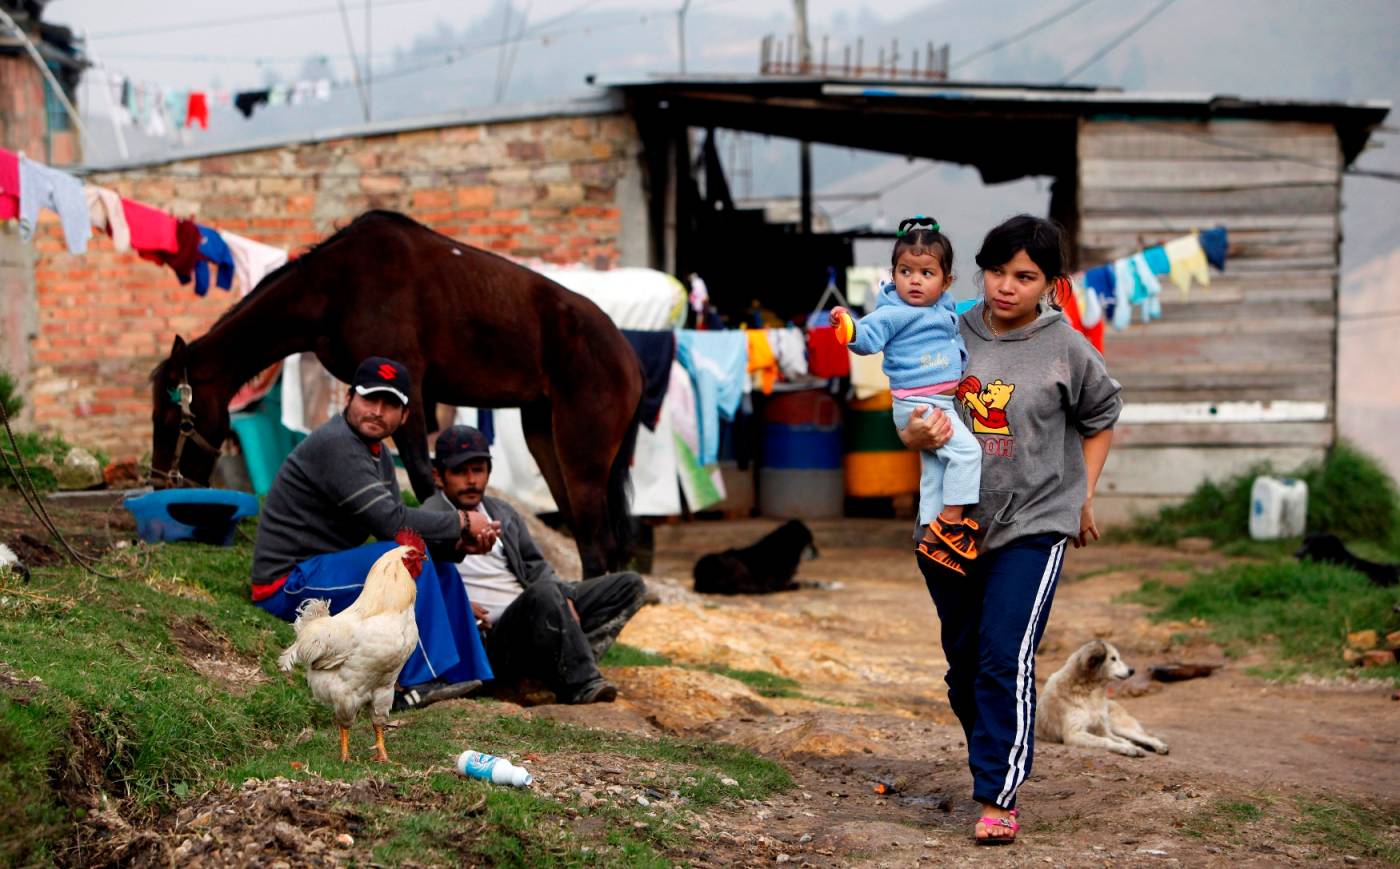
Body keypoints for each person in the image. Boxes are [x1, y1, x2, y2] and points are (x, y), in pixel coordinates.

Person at [898, 215, 1122, 845]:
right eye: (996, 272)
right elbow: (910, 411)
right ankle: (994, 752)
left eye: (1024, 276)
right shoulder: (945, 328)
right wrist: (914, 433)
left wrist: (1084, 495)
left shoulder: (1066, 348)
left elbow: (1102, 418)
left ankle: (998, 793)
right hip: (949, 523)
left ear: (1051, 283)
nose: (1005, 286)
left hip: (1035, 521)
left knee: (1003, 657)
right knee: (965, 666)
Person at [250, 356, 495, 708]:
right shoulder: (337, 443)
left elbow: (396, 532)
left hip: (323, 570)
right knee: (406, 561)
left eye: (390, 404)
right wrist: (463, 522)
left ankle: (466, 676)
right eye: (370, 398)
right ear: (349, 398)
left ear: (404, 416)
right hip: (287, 583)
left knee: (441, 569)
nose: (378, 411)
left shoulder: (376, 453)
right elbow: (390, 522)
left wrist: (460, 546)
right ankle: (418, 683)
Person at [423, 424, 648, 705]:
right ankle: (582, 683)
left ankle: (561, 667)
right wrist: (457, 606)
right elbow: (421, 586)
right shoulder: (430, 519)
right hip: (492, 636)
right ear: (438, 476)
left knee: (628, 585)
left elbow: (536, 566)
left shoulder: (501, 512)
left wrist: (565, 596)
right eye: (460, 471)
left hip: (535, 612)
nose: (471, 480)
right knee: (545, 593)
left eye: (478, 470)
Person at [830, 215, 984, 575]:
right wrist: (848, 327)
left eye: (926, 273)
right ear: (893, 274)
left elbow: (965, 313)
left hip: (937, 402)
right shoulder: (893, 313)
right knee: (967, 454)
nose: (915, 280)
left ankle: (930, 539)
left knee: (936, 470)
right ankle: (951, 523)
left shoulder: (943, 308)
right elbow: (867, 337)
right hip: (919, 403)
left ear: (946, 281)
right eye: (905, 271)